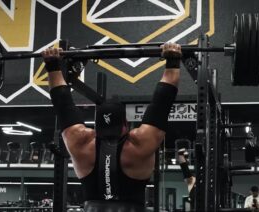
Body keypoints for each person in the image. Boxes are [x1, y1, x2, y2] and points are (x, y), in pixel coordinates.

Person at [42, 42, 181, 211]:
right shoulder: (140, 143)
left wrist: (52, 66)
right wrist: (173, 61)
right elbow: (162, 102)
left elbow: (63, 104)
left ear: (96, 126)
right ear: (126, 124)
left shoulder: (80, 142)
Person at [176, 139, 196, 210]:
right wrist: (181, 155)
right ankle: (181, 155)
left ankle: (181, 155)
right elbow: (185, 170)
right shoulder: (192, 181)